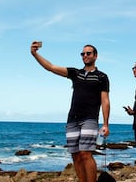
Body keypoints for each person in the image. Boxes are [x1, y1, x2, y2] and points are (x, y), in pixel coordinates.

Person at [30, 41, 110, 182]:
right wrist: (35, 54)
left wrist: (106, 124)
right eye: (82, 53)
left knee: (86, 153)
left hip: (90, 119)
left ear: (95, 56)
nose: (85, 55)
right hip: (72, 119)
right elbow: (51, 67)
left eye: (88, 53)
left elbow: (105, 100)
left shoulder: (102, 77)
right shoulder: (75, 73)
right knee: (76, 155)